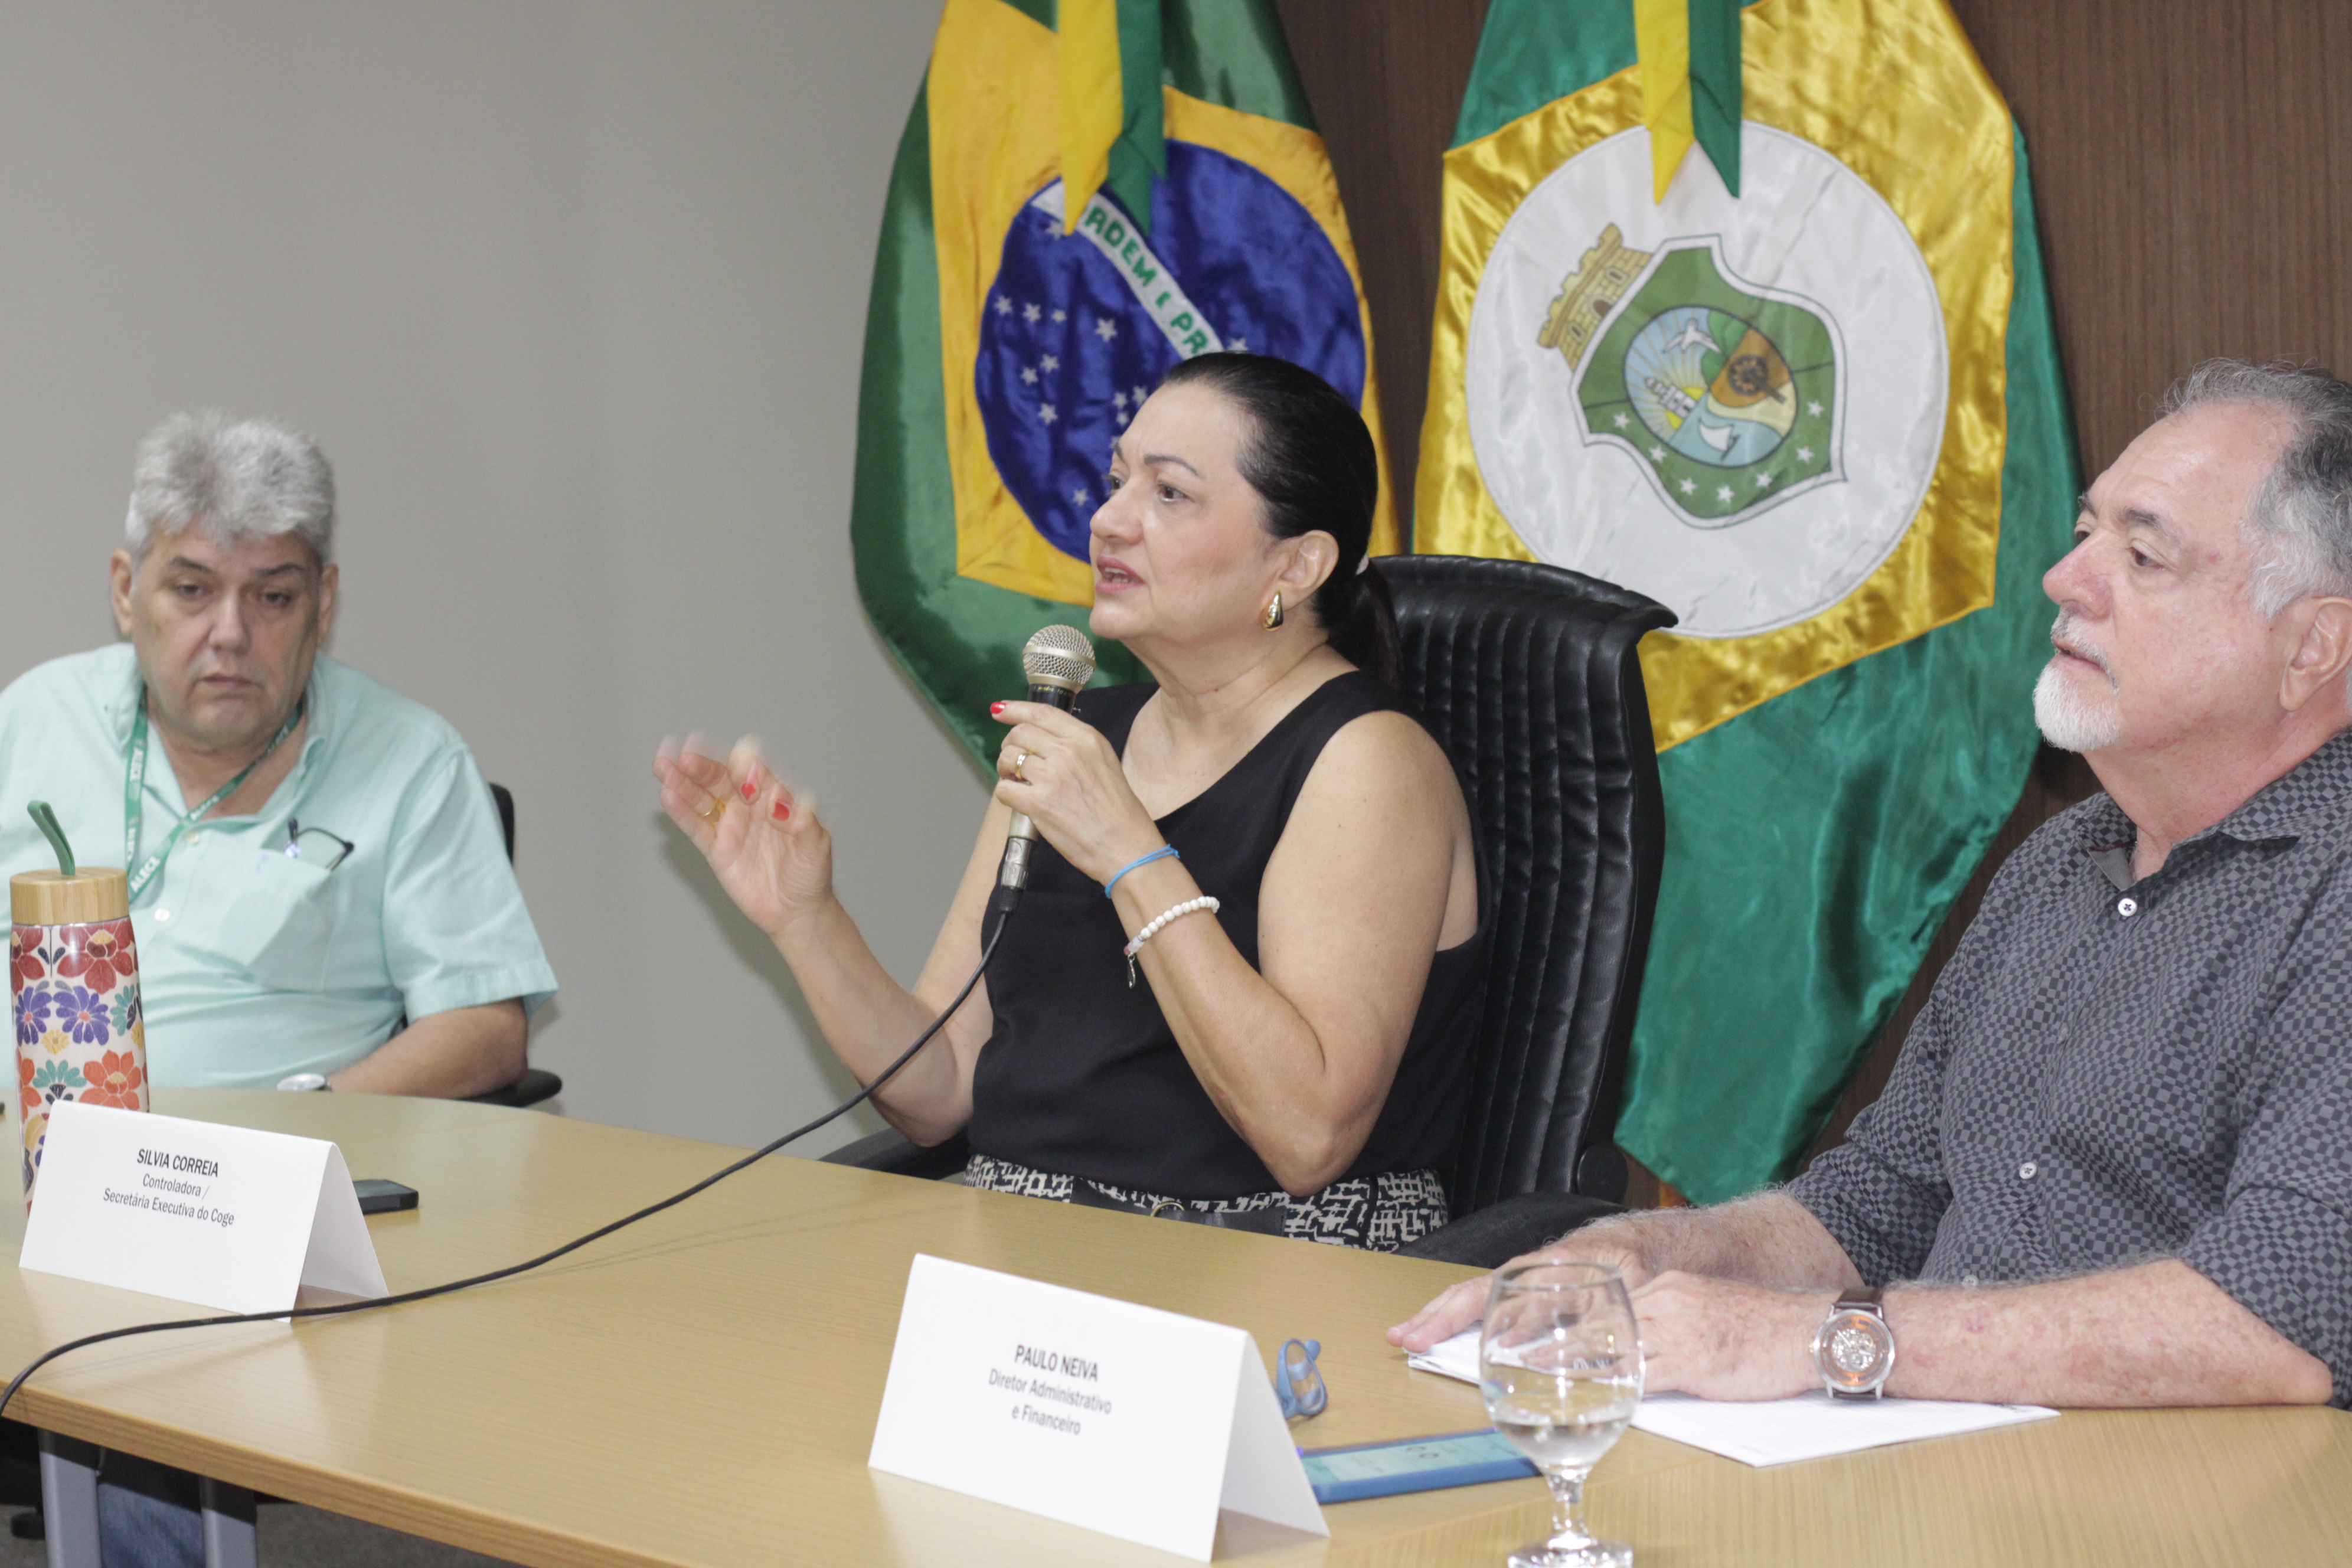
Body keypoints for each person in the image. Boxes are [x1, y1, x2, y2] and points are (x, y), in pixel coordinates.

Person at [1393, 358, 2352, 1409]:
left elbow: (2283, 1321)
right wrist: (1651, 1252)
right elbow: (1873, 1204)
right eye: (2085, 532)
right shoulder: (2058, 860)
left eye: (2141, 555)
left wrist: (1831, 1341)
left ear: (2311, 646)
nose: (2063, 579)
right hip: (1931, 1462)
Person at [660, 353, 1484, 1250]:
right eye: (1117, 479)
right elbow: (940, 1089)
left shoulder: (1368, 762)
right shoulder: (1077, 738)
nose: (1108, 520)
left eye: (1169, 494)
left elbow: (1308, 1137)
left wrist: (1131, 852)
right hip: (1025, 1244)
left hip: (1273, 1252)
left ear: (1296, 564)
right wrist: (807, 922)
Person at [1, 412, 557, 1097]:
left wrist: (308, 1123)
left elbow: (485, 1029)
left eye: (272, 597)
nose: (231, 633)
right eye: (192, 590)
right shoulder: (30, 722)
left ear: (322, 606)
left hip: (257, 1159)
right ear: (126, 591)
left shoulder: (415, 766)